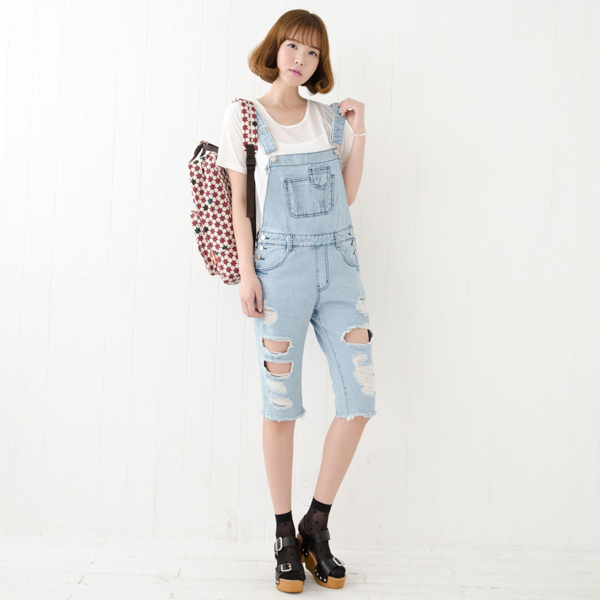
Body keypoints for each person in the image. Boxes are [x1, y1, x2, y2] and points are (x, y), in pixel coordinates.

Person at [216, 9, 376, 593]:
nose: (300, 60)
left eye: (312, 52)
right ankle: (284, 534)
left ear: (320, 62)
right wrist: (246, 276)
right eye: (291, 47)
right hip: (278, 270)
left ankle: (316, 523)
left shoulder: (330, 120)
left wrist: (360, 131)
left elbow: (347, 196)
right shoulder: (245, 117)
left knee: (359, 398)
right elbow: (239, 206)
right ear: (274, 48)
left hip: (340, 269)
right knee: (280, 404)